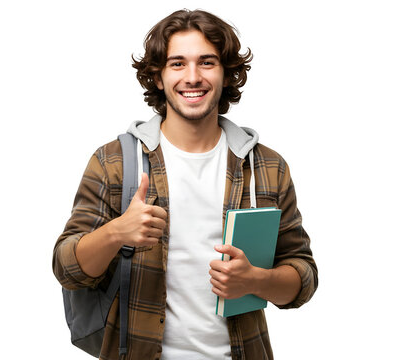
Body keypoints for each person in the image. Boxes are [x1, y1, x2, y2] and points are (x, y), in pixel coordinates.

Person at [53, 9, 318, 360]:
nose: (192, 77)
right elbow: (66, 268)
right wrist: (116, 232)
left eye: (207, 62)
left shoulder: (267, 167)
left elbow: (303, 278)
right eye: (177, 64)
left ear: (226, 74)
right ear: (158, 78)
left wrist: (254, 280)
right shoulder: (114, 161)